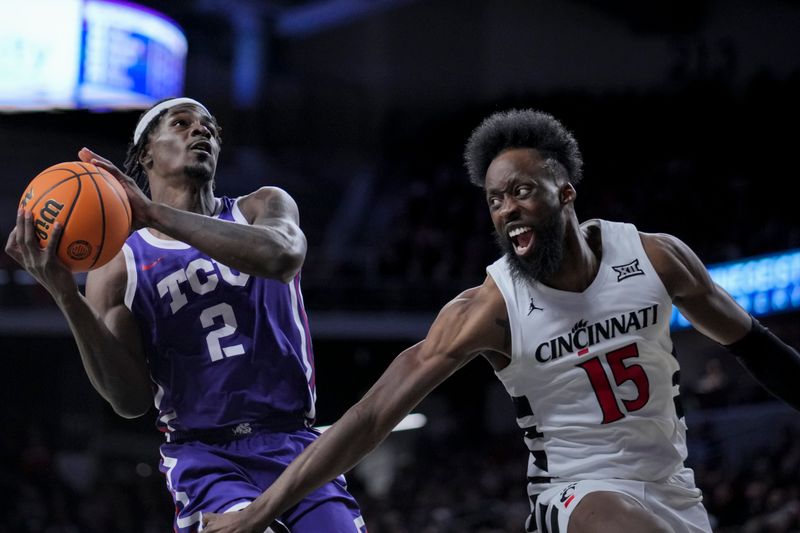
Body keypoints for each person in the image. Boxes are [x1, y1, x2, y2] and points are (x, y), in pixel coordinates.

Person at [201, 108, 800, 533]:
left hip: (676, 493)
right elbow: (371, 416)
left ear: (565, 192)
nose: (506, 208)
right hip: (575, 500)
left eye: (521, 190)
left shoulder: (657, 257)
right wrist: (261, 511)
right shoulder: (488, 309)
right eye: (493, 199)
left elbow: (754, 343)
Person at [5, 97, 366, 533]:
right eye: (182, 123)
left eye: (210, 128)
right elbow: (129, 400)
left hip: (296, 442)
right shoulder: (120, 263)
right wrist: (66, 295)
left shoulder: (260, 207)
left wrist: (156, 214)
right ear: (146, 154)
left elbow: (283, 256)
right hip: (206, 457)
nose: (202, 132)